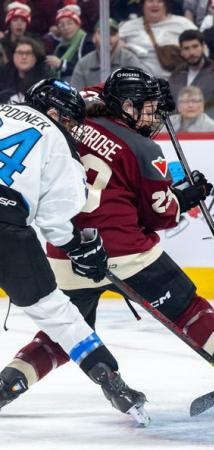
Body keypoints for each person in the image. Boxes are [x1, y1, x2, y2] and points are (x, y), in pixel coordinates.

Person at [0, 67, 214, 408]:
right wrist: (184, 198)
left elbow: (57, 215)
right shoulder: (143, 149)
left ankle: (9, 382)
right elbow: (159, 216)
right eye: (149, 105)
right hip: (127, 253)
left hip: (68, 254)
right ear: (127, 106)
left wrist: (144, 86)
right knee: (188, 309)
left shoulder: (73, 119)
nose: (155, 115)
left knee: (62, 331)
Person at [0, 78, 147, 424]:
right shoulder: (59, 142)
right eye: (68, 119)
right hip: (7, 230)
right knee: (60, 316)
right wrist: (79, 245)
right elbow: (54, 221)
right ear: (53, 112)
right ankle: (111, 381)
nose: (71, 127)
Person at [119, 0, 197, 78]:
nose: (155, 4)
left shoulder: (183, 24)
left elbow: (201, 50)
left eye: (159, 1)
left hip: (176, 82)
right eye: (150, 1)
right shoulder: (128, 27)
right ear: (143, 5)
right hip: (139, 82)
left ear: (166, 5)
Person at [169, 29, 214, 127]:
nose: (191, 52)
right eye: (186, 48)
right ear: (181, 51)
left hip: (208, 130)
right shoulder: (177, 74)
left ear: (203, 47)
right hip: (179, 128)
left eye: (195, 46)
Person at [70, 18, 143, 90]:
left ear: (119, 37)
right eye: (102, 33)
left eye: (112, 33)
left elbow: (139, 90)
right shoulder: (83, 64)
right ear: (94, 37)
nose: (107, 38)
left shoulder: (130, 61)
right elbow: (76, 94)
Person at [45, 2, 94, 81]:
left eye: (69, 23)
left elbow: (88, 69)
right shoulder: (59, 46)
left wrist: (62, 64)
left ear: (78, 25)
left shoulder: (87, 42)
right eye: (62, 25)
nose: (66, 28)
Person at [0, 36, 51, 104]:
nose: (24, 57)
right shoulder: (3, 77)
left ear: (35, 56)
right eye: (20, 53)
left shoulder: (45, 82)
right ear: (13, 56)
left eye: (28, 53)